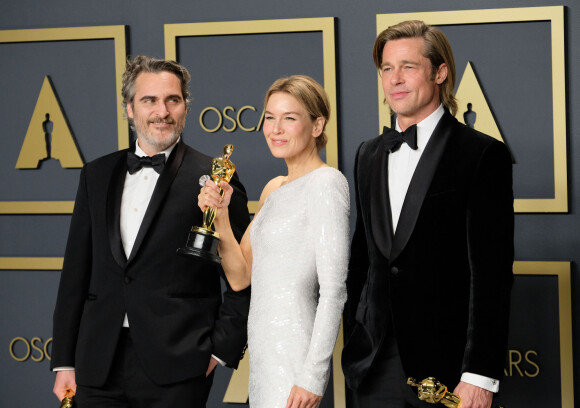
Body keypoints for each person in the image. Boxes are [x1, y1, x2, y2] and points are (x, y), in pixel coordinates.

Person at [50, 55, 251, 407]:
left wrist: (220, 350)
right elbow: (75, 274)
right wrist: (64, 360)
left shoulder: (217, 176)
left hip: (180, 365)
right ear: (129, 108)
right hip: (97, 364)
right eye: (149, 100)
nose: (163, 111)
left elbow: (243, 276)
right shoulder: (95, 175)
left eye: (173, 100)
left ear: (185, 108)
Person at [341, 20, 514, 408]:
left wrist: (479, 375)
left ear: (440, 72)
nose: (395, 79)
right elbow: (364, 257)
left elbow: (492, 275)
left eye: (409, 66)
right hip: (373, 363)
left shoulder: (481, 154)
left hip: (451, 369)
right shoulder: (368, 154)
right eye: (387, 68)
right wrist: (357, 333)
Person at [198, 75, 350, 408]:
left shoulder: (326, 183)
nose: (275, 129)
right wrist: (220, 216)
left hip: (297, 354)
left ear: (316, 125)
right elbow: (240, 277)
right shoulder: (273, 188)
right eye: (269, 117)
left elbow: (335, 289)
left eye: (289, 118)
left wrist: (311, 376)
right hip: (264, 355)